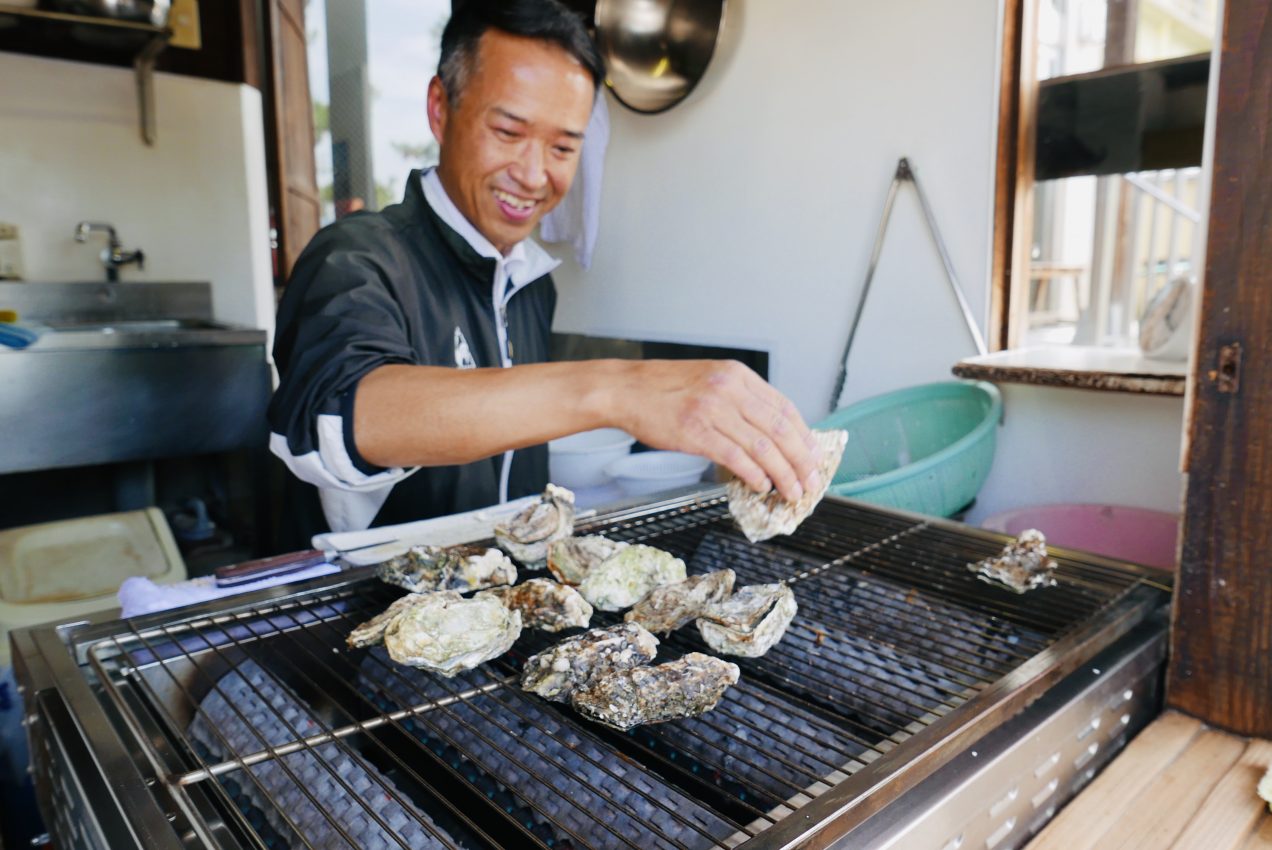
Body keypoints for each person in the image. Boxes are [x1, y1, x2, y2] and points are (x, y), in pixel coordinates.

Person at [268, 0, 821, 547]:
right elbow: (346, 417)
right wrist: (617, 388)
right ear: (440, 109)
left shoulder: (532, 283)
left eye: (561, 147)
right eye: (508, 132)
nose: (534, 175)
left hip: (501, 610)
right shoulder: (355, 257)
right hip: (364, 615)